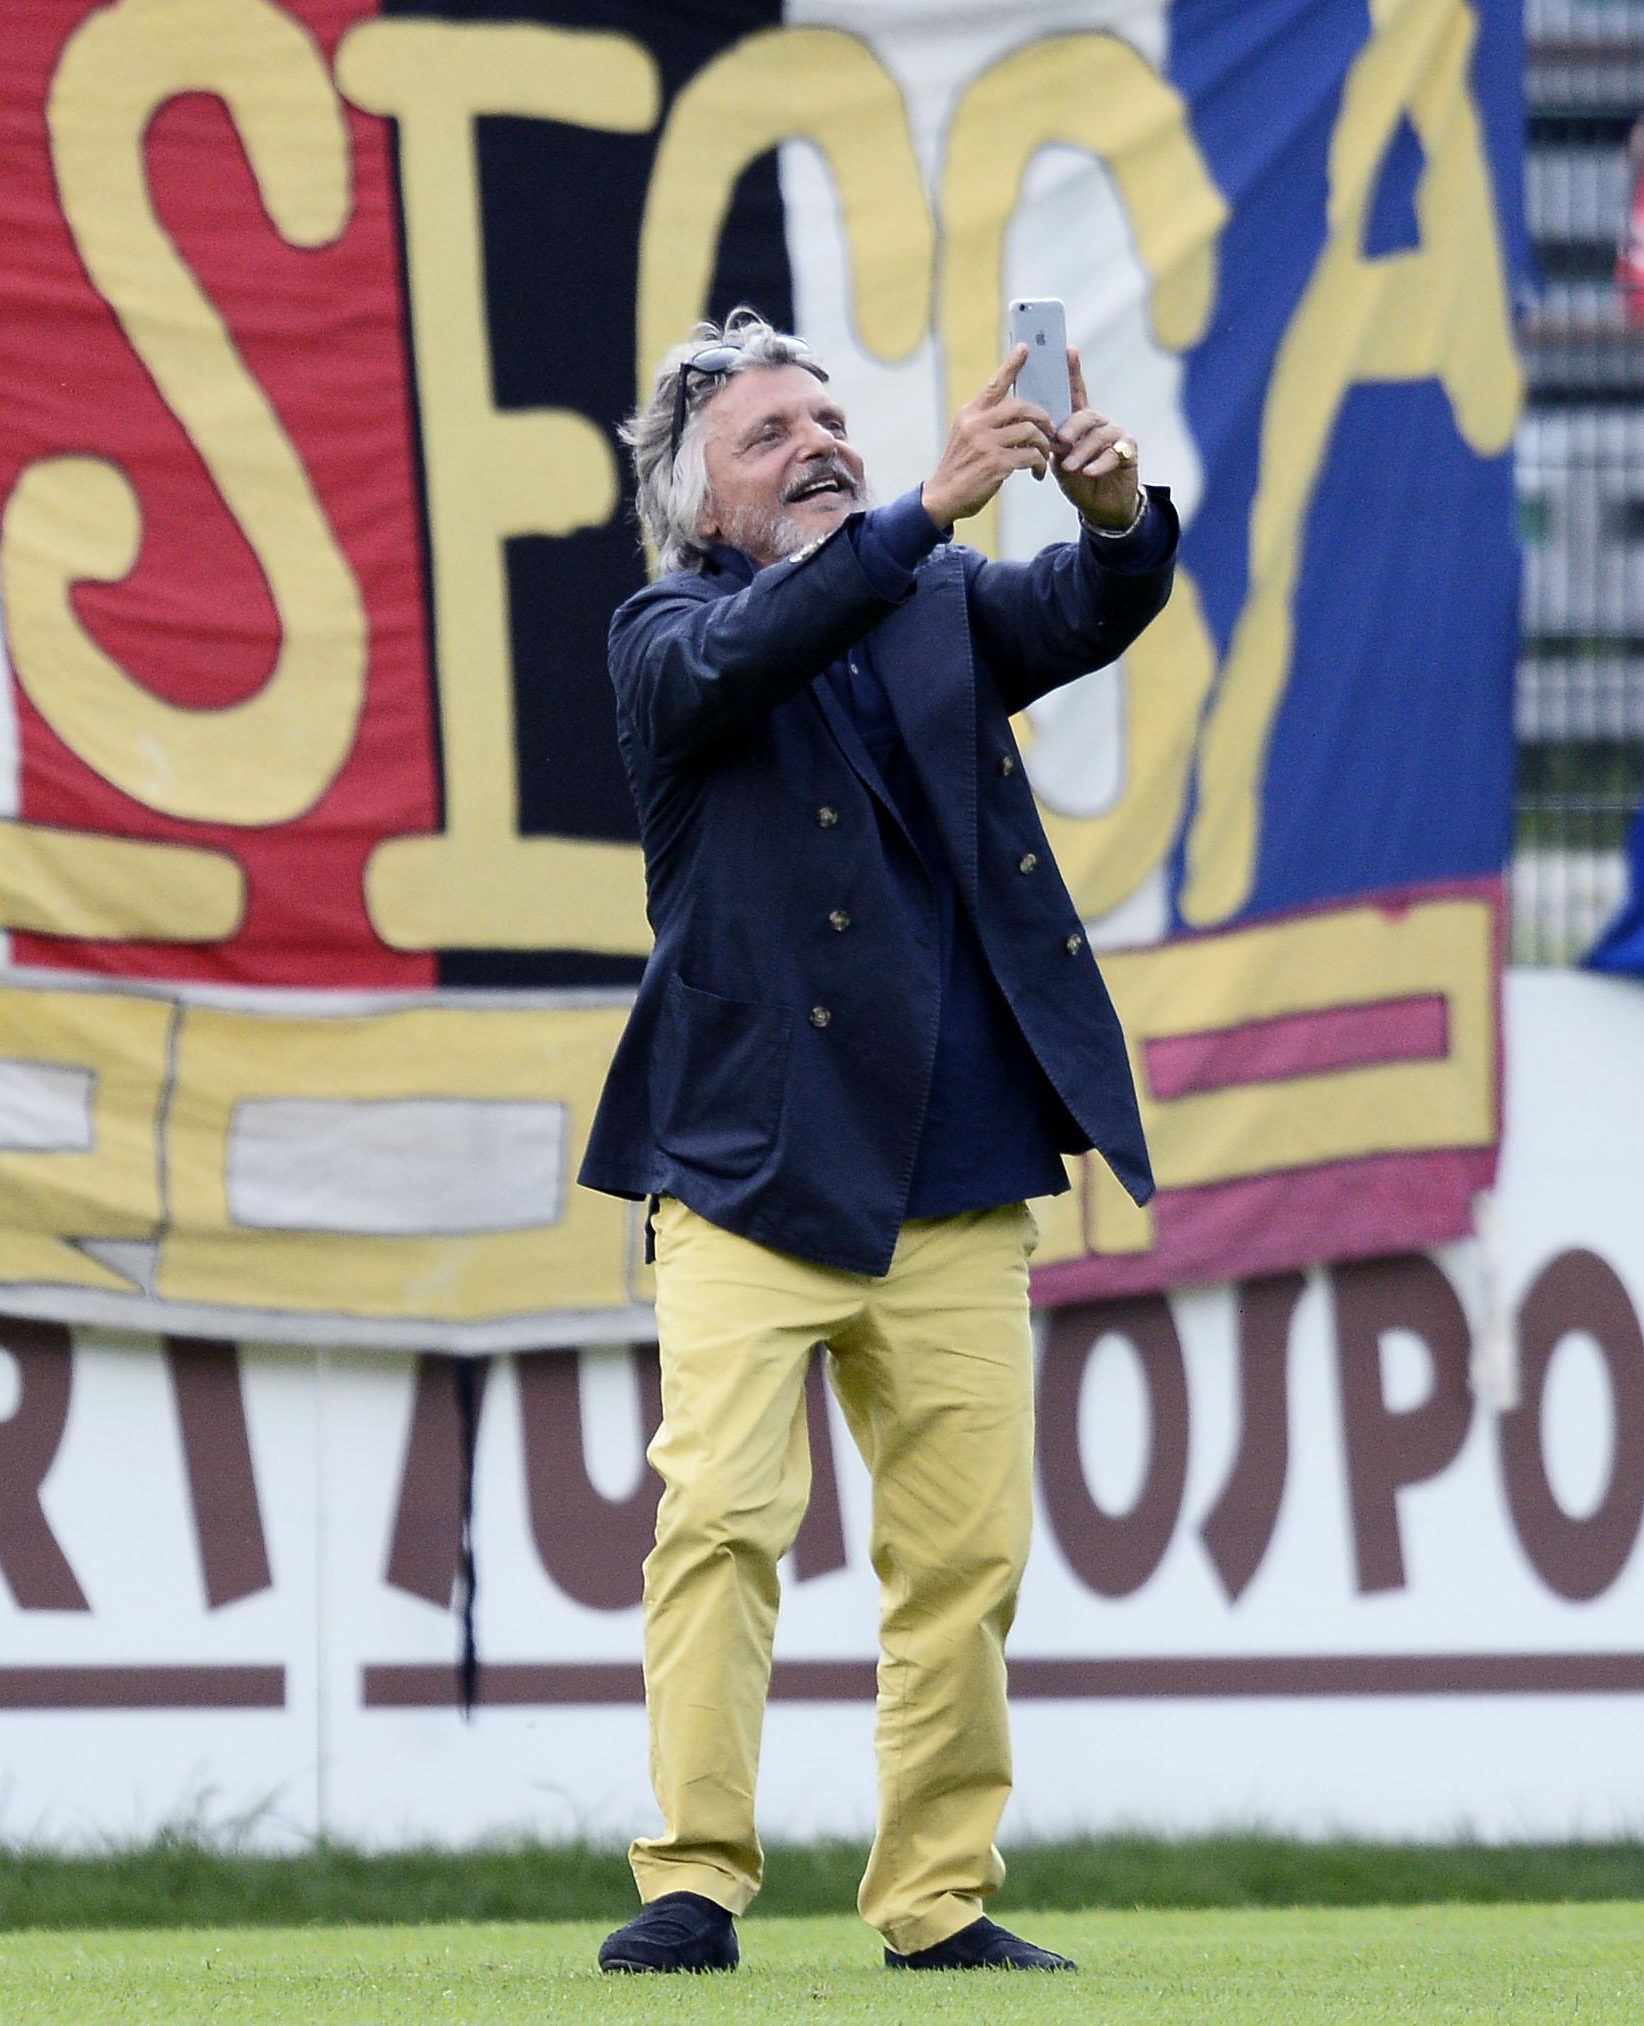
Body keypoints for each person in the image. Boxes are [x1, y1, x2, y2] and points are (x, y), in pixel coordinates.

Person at [579, 309, 1174, 1974]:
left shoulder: (935, 599)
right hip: (747, 1172)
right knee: (720, 1523)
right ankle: (693, 1879)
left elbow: (1083, 608)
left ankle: (937, 1900)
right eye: (769, 433)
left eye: (829, 419)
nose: (819, 444)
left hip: (958, 1167)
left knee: (964, 1557)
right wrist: (924, 508)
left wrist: (1115, 515)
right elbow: (744, 655)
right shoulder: (663, 632)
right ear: (697, 501)